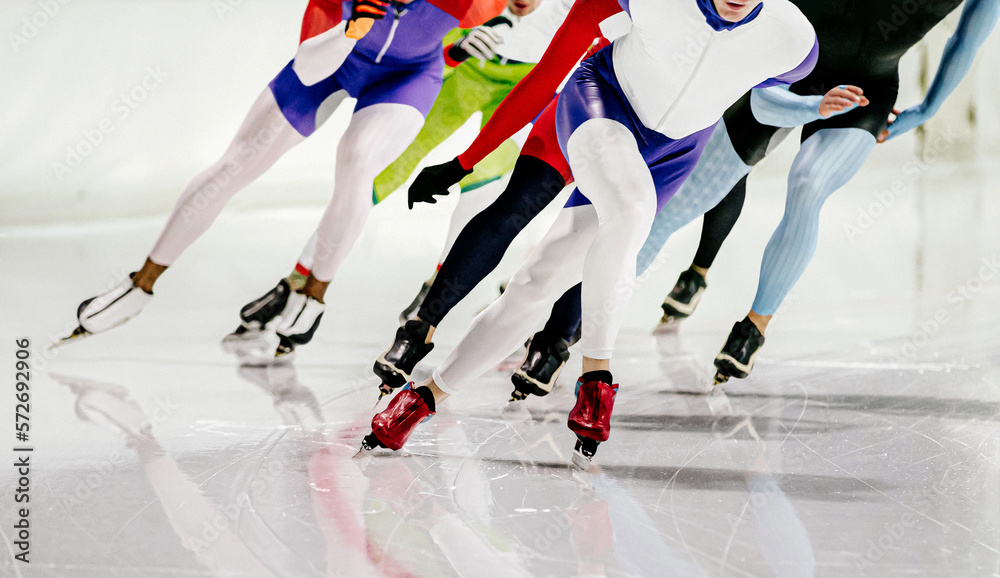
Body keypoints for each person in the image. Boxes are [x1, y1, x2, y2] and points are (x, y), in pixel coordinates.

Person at [362, 0, 822, 468]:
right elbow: (546, 76)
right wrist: (465, 160)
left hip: (674, 154)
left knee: (537, 284)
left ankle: (423, 397)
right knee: (627, 209)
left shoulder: (794, 40)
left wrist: (815, 106)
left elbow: (764, 96)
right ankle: (596, 375)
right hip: (600, 105)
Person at [64, 0, 505, 346]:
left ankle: (313, 296)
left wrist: (452, 53)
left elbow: (505, 24)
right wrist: (351, 29)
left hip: (408, 76)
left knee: (357, 159)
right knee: (235, 165)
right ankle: (140, 283)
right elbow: (309, 65)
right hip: (331, 59)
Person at [629, 0, 1000, 382]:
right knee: (688, 196)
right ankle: (581, 316)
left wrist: (928, 109)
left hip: (864, 89)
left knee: (808, 185)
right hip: (788, 64)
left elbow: (967, 37)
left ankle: (753, 327)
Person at [221, 0, 581, 362]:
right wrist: (452, 50)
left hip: (531, 80)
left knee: (483, 187)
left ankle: (434, 291)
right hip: (463, 70)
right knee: (378, 172)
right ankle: (299, 278)